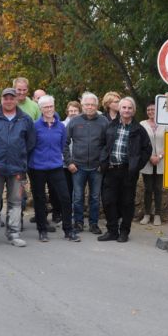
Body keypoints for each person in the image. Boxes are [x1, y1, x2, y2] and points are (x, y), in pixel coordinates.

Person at [0, 87, 36, 247]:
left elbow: (30, 143)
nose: (9, 101)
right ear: (2, 99)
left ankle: (14, 233)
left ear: (16, 99)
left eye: (12, 98)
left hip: (17, 167)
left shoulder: (25, 119)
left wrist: (20, 155)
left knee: (16, 202)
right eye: (6, 98)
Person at [98, 97, 151, 242]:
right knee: (109, 201)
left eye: (129, 108)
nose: (126, 110)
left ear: (133, 111)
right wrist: (103, 160)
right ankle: (112, 231)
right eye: (124, 107)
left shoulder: (139, 129)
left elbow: (147, 149)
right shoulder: (110, 126)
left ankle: (124, 232)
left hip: (128, 171)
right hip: (110, 169)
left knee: (126, 202)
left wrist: (136, 165)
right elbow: (103, 144)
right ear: (119, 109)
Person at [29, 95, 80, 242]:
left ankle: (68, 230)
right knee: (39, 199)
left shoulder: (61, 127)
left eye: (51, 106)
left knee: (64, 197)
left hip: (56, 167)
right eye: (46, 107)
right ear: (41, 109)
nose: (49, 109)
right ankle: (42, 230)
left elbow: (63, 145)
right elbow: (30, 146)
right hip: (37, 168)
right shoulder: (34, 126)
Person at [66, 92, 108, 234]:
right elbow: (64, 143)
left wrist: (103, 163)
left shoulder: (104, 122)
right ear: (82, 106)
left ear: (97, 106)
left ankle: (93, 223)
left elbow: (107, 145)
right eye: (87, 104)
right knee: (77, 197)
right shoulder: (74, 121)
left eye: (92, 104)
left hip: (96, 167)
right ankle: (78, 222)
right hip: (78, 166)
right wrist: (69, 162)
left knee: (95, 197)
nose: (90, 107)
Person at [139, 101, 165, 226]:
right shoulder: (142, 124)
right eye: (148, 110)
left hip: (161, 161)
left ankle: (158, 215)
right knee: (148, 189)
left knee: (158, 189)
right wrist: (149, 157)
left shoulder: (166, 124)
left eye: (153, 109)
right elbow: (139, 143)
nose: (150, 112)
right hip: (147, 161)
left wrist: (159, 156)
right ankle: (147, 214)